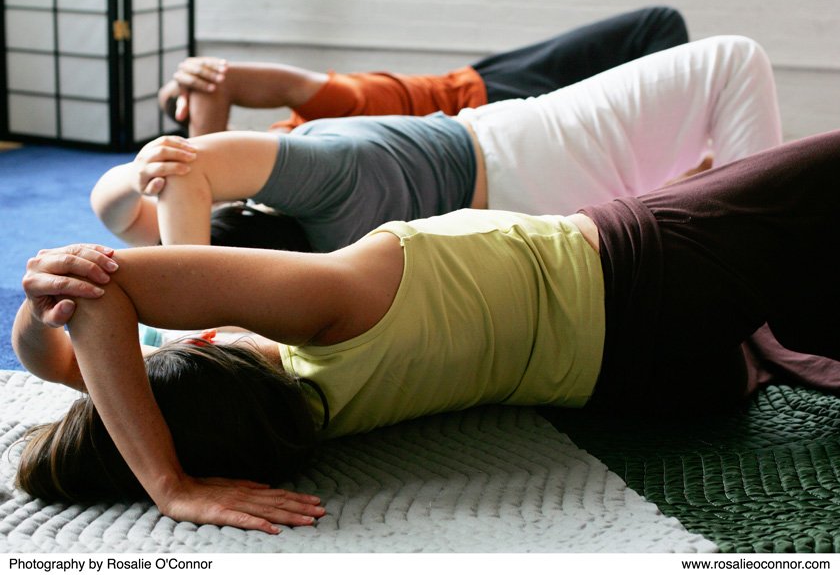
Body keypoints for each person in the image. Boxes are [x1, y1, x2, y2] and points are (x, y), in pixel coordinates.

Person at [13, 128, 840, 533]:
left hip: (655, 379)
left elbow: (65, 354)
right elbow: (97, 303)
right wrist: (169, 487)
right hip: (648, 270)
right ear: (199, 344)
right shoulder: (326, 309)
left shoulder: (300, 413)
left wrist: (31, 318)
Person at [92, 35, 781, 251]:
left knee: (702, 183)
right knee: (731, 59)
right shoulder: (327, 173)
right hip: (519, 150)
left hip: (533, 212)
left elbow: (119, 207)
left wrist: (140, 174)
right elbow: (185, 172)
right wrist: (186, 318)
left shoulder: (313, 265)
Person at [161, 6, 688, 137]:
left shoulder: (338, 107)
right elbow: (222, 83)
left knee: (653, 38)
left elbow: (220, 81)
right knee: (657, 27)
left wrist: (176, 93)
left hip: (487, 89)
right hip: (494, 112)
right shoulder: (329, 126)